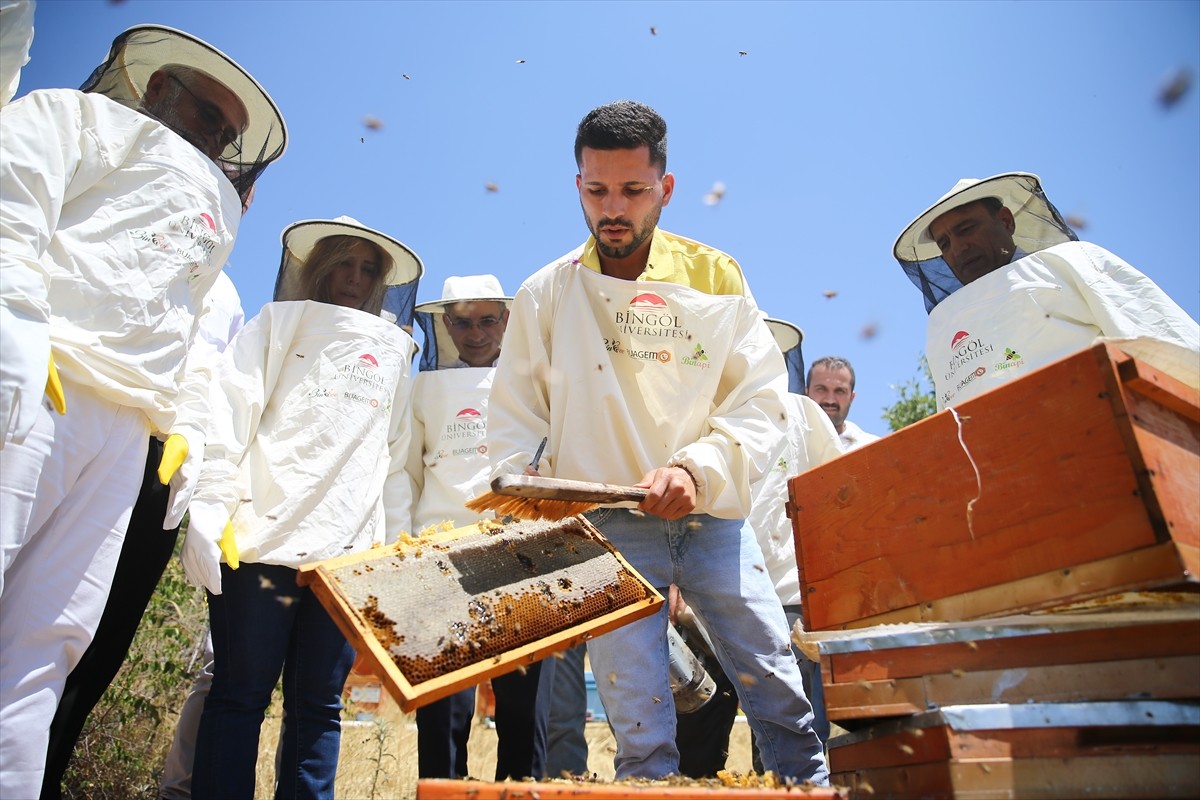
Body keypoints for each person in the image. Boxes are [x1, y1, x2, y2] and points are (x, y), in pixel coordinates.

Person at [487, 99, 828, 784]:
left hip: (711, 522)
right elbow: (516, 415)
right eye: (597, 190)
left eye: (633, 191)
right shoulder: (545, 294)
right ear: (577, 186)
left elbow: (758, 399)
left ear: (665, 189)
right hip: (610, 532)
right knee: (640, 722)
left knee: (781, 694)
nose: (614, 208)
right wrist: (517, 485)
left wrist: (697, 470)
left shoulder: (717, 276)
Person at [0, 24, 285, 799]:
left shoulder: (210, 224)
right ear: (157, 90)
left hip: (127, 438)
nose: (217, 139)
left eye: (229, 134)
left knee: (49, 645)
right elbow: (10, 205)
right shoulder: (70, 115)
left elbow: (189, 343)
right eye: (207, 117)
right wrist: (14, 335)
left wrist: (190, 450)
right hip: (37, 385)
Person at [183, 216, 421, 799]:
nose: (354, 277)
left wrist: (391, 556)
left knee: (318, 705)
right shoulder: (276, 323)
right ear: (316, 266)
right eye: (343, 262)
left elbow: (394, 462)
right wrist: (211, 503)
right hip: (258, 541)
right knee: (240, 693)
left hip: (343, 563)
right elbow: (232, 413)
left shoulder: (396, 351)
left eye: (368, 269)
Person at [674, 318, 844, 776]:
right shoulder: (696, 419)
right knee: (697, 737)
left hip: (786, 604)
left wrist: (825, 596)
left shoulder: (804, 415)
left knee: (779, 736)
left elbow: (839, 498)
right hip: (705, 603)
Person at [407, 274, 553, 780]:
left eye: (487, 319)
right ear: (445, 323)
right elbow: (405, 473)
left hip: (521, 557)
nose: (475, 332)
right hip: (441, 559)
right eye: (463, 321)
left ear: (506, 321)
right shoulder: (422, 388)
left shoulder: (535, 384)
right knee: (443, 712)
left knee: (522, 710)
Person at [892, 172, 1200, 408]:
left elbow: (1167, 345)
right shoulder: (944, 325)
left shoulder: (1072, 262)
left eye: (966, 228)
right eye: (945, 243)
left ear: (1005, 221)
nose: (958, 248)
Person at [805, 356, 880, 450]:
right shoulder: (787, 443)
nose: (830, 400)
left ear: (851, 398)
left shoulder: (873, 449)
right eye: (821, 389)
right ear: (806, 394)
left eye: (840, 391)